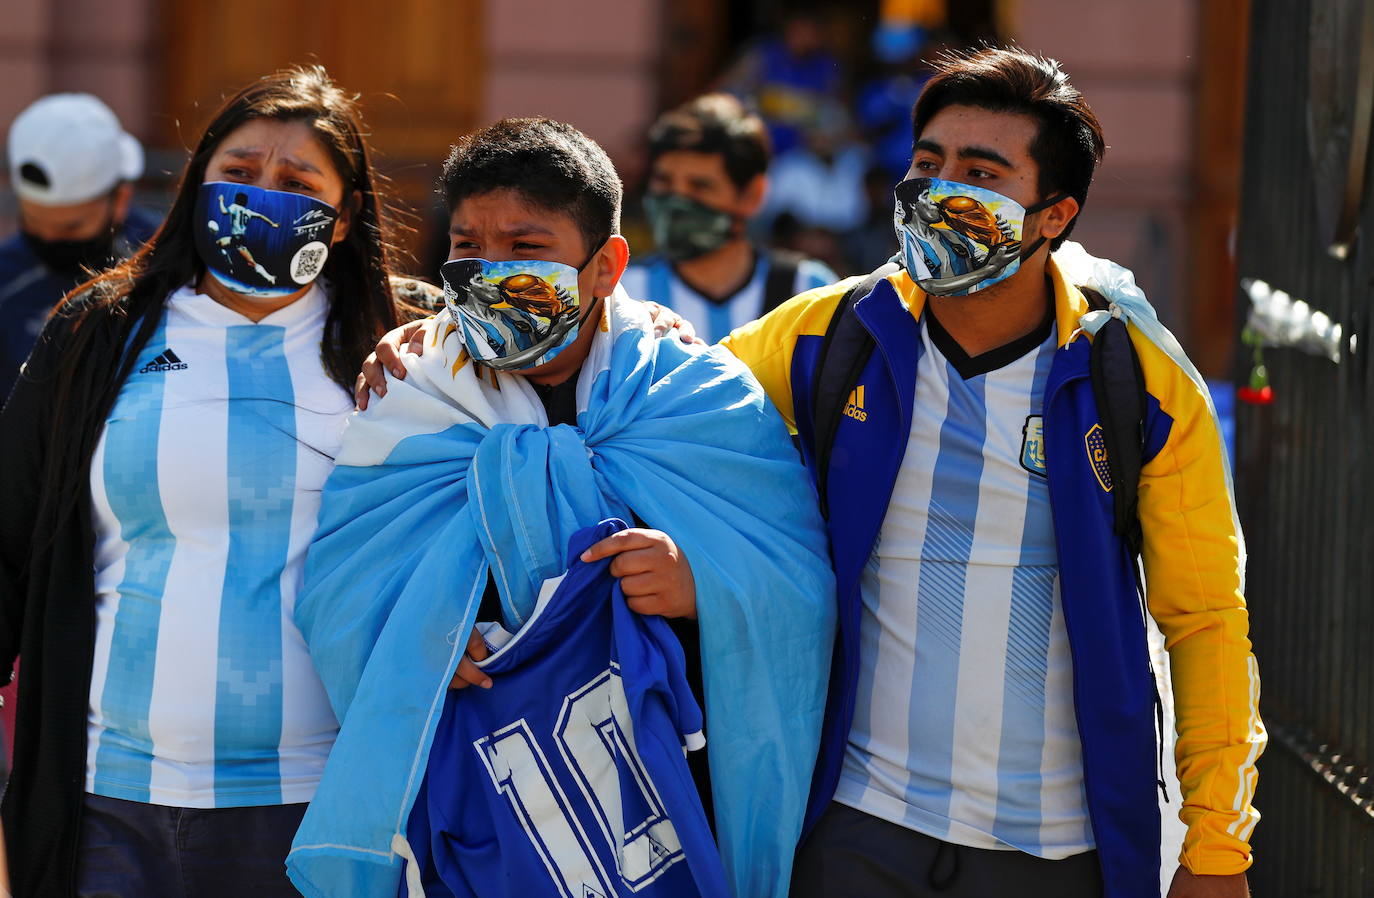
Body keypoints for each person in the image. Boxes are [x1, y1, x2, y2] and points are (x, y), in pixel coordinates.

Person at [718, 47, 1265, 898]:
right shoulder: (830, 335)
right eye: (927, 164)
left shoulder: (1140, 381)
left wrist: (1218, 849)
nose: (938, 192)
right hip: (854, 827)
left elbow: (1204, 620)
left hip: (1054, 849)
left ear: (1054, 214)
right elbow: (667, 414)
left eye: (980, 172)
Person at [284, 118, 836, 898]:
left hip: (668, 809)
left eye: (526, 247)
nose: (490, 270)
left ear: (605, 266)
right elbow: (342, 586)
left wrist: (698, 588)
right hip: (485, 805)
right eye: (469, 246)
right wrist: (423, 639)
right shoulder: (413, 394)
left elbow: (799, 586)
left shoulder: (697, 395)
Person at [0, 65, 439, 898]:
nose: (260, 196)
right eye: (237, 174)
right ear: (197, 182)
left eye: (296, 181)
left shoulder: (407, 343)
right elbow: (7, 536)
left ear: (344, 218)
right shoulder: (100, 333)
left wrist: (640, 326)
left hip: (320, 809)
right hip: (107, 803)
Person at [619, 93, 835, 343]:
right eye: (664, 182)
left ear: (753, 194)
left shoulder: (808, 290)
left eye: (700, 186)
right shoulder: (623, 294)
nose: (677, 200)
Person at [0, 93, 160, 401]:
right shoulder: (6, 280)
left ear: (121, 200)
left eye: (71, 227)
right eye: (34, 222)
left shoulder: (167, 260)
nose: (49, 239)